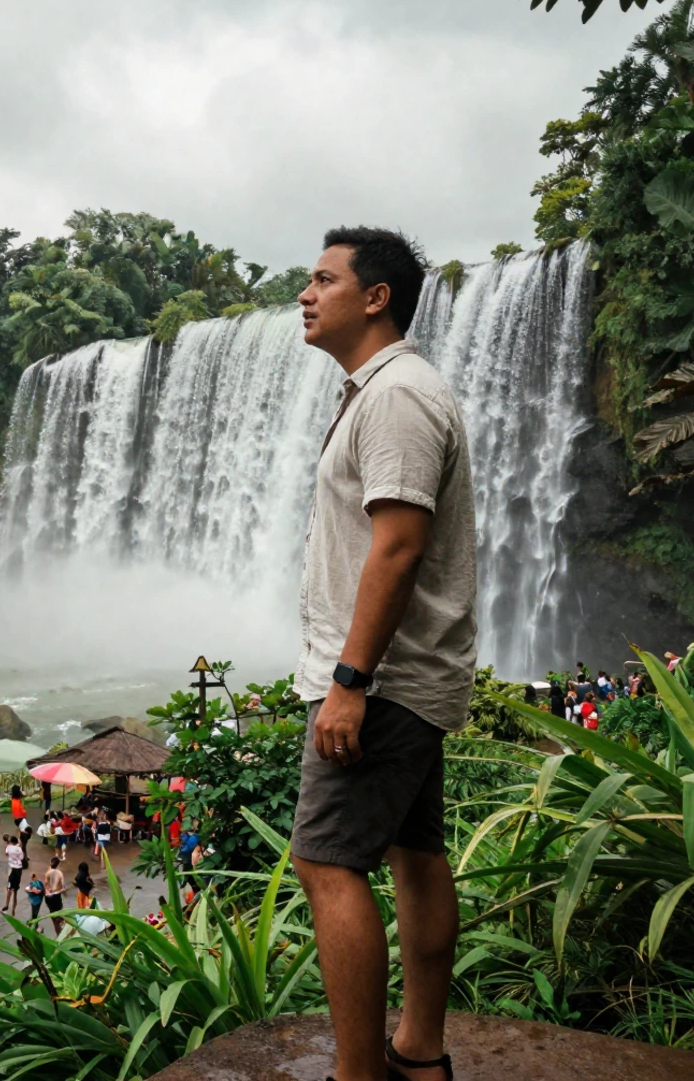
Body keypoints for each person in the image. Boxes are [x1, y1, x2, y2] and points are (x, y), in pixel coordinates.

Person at [289, 228, 475, 1081]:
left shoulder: (395, 395)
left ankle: (356, 1074)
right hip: (415, 677)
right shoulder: (387, 389)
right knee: (414, 852)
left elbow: (397, 546)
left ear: (375, 298)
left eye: (323, 279)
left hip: (383, 679)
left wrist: (349, 682)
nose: (305, 293)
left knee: (327, 863)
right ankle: (420, 1052)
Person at [43, 856, 67, 936]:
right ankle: (63, 933)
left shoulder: (47, 873)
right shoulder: (60, 873)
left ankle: (58, 934)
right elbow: (63, 887)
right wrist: (64, 893)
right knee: (60, 915)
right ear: (58, 864)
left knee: (53, 915)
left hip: (48, 897)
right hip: (56, 896)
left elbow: (46, 886)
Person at [3, 835, 25, 915]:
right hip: (18, 870)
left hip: (11, 869)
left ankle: (6, 904)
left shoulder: (8, 847)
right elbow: (22, 858)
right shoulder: (19, 849)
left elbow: (6, 854)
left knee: (9, 889)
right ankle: (13, 909)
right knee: (15, 891)